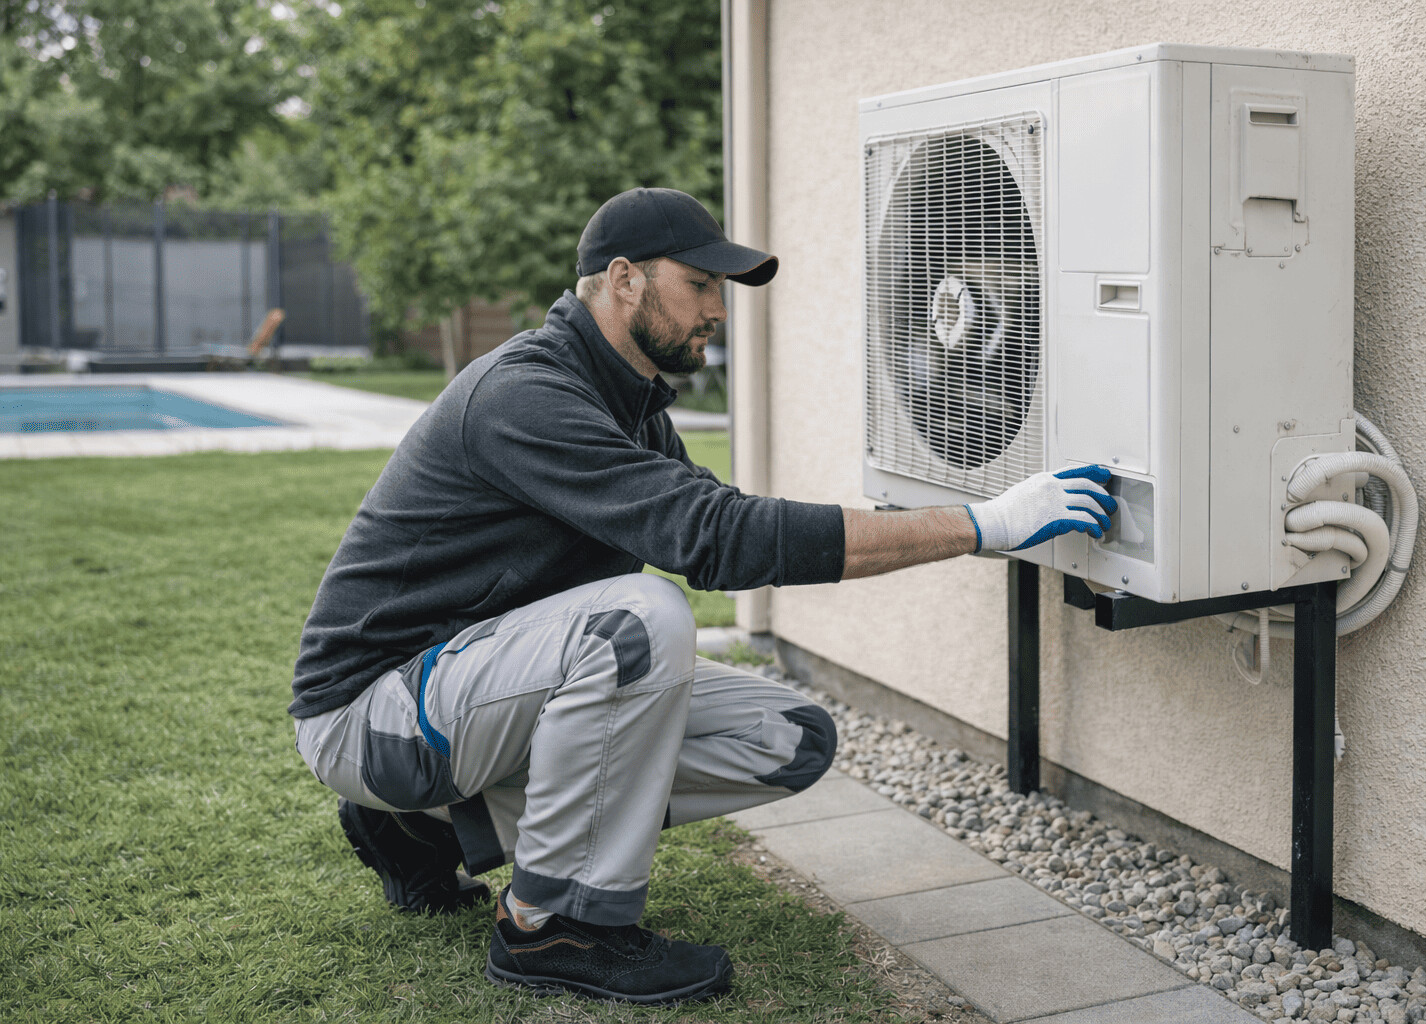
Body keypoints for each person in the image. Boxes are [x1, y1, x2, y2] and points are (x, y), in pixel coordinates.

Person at [290, 187, 1117, 1006]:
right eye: (701, 285)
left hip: (469, 700)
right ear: (624, 281)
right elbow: (712, 536)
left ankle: (432, 829)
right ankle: (558, 928)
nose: (716, 311)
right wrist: (983, 523)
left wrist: (970, 522)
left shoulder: (632, 406)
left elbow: (724, 541)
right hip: (375, 716)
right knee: (638, 621)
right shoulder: (525, 395)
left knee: (786, 738)